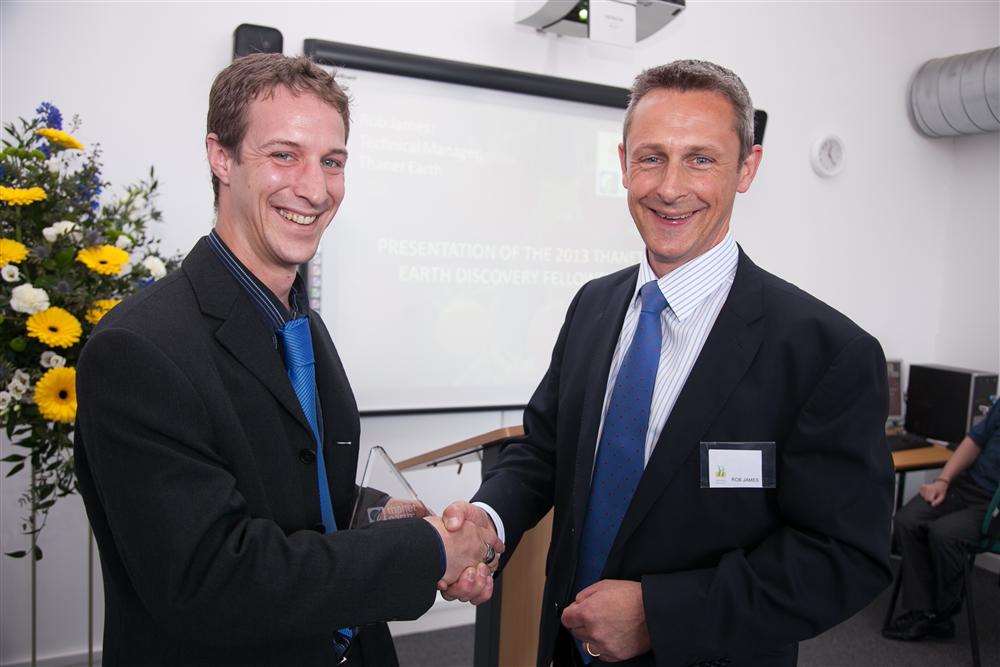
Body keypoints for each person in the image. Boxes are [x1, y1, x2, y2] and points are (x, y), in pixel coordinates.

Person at [440, 60, 894, 666]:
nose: (670, 187)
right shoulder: (594, 305)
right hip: (566, 646)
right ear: (624, 163)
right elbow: (547, 449)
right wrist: (487, 521)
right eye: (651, 158)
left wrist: (661, 616)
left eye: (701, 159)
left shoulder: (824, 352)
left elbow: (844, 555)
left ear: (747, 169)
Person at [74, 54, 499, 666]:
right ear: (221, 157)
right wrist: (425, 551)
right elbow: (211, 580)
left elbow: (294, 486)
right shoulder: (138, 349)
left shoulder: (300, 321)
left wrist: (394, 519)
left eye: (332, 162)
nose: (315, 188)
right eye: (283, 155)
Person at [883, 397, 1000, 641]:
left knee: (944, 534)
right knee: (908, 520)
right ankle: (923, 609)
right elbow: (974, 441)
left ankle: (942, 614)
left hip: (994, 504)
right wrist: (943, 481)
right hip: (966, 485)